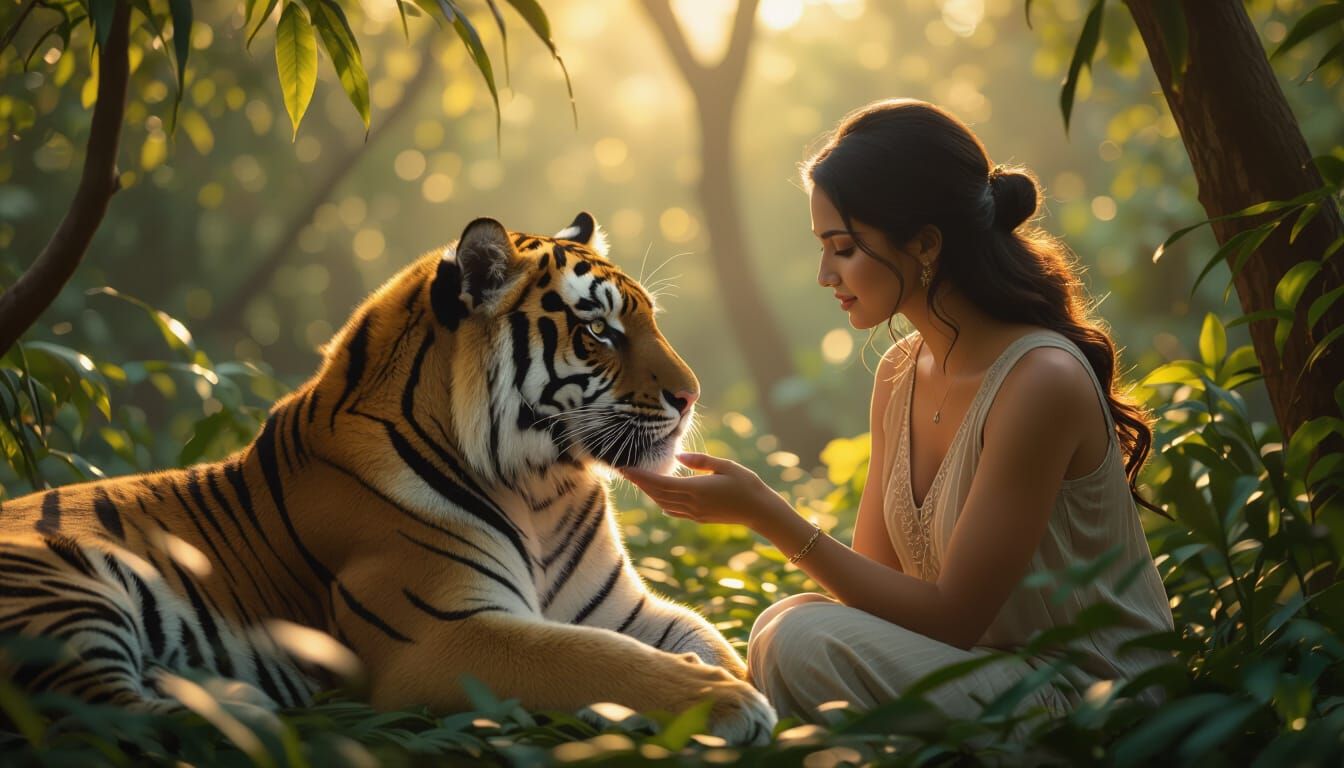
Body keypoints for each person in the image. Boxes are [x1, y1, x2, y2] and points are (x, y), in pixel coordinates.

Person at [620, 98, 1175, 724]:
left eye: (843, 248)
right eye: (823, 247)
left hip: (1091, 701)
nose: (825, 274)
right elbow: (873, 591)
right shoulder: (899, 373)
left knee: (798, 639)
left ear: (926, 244)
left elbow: (955, 617)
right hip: (983, 675)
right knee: (785, 621)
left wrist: (766, 514)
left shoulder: (1040, 380)